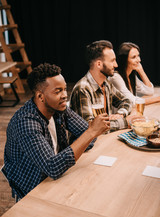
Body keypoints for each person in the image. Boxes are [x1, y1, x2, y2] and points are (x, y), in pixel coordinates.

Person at [4, 63, 110, 199]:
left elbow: (88, 136)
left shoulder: (59, 109)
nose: (65, 95)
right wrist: (90, 132)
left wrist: (89, 134)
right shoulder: (26, 124)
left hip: (56, 178)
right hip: (31, 190)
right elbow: (52, 167)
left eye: (65, 89)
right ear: (40, 96)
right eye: (57, 91)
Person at [70, 40, 134, 131]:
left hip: (104, 138)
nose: (116, 65)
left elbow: (126, 101)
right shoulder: (82, 89)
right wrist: (124, 122)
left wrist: (120, 114)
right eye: (112, 61)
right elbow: (90, 127)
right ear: (99, 64)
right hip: (90, 144)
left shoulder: (106, 83)